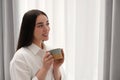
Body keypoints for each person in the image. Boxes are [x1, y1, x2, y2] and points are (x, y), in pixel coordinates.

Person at [10, 9, 65, 80]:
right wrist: (44, 69)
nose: (46, 29)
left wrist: (56, 68)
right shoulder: (20, 58)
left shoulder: (50, 51)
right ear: (29, 29)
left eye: (47, 24)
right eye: (40, 26)